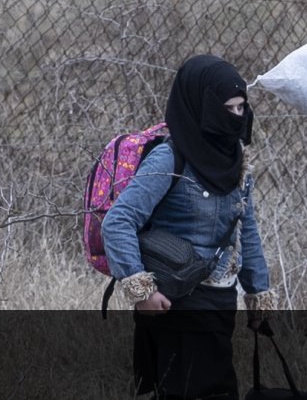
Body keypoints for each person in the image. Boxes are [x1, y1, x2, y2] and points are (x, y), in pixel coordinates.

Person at [103, 54, 275, 400]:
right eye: (229, 108)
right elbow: (118, 221)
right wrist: (141, 289)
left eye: (242, 108)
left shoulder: (236, 160)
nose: (238, 117)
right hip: (174, 303)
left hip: (220, 301)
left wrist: (258, 294)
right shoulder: (170, 158)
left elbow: (247, 228)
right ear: (203, 107)